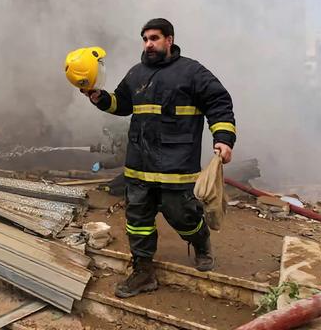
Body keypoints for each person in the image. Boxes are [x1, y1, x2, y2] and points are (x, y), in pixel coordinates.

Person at [85, 18, 236, 298]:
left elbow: (219, 103)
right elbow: (122, 103)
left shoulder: (192, 72)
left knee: (184, 216)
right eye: (144, 39)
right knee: (137, 220)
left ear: (169, 39)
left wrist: (223, 139)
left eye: (154, 38)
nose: (148, 44)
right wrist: (100, 98)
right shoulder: (136, 74)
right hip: (139, 167)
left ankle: (201, 242)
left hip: (176, 167)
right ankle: (143, 271)